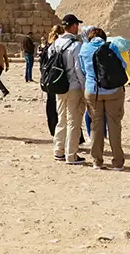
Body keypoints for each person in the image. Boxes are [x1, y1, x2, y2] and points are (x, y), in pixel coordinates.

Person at [78, 27, 126, 170]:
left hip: (93, 91)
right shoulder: (112, 47)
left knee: (96, 126)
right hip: (113, 91)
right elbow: (122, 66)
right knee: (114, 126)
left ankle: (97, 161)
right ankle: (117, 162)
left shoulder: (84, 49)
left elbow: (82, 70)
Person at [48, 14, 87, 165]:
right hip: (73, 87)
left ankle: (59, 151)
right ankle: (72, 155)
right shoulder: (76, 46)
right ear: (73, 26)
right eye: (77, 25)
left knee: (61, 119)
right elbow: (78, 69)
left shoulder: (55, 44)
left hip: (59, 87)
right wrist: (84, 88)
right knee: (74, 121)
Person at [40, 27, 62, 136]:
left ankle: (54, 131)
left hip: (49, 81)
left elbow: (42, 66)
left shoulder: (46, 49)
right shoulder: (62, 47)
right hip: (61, 81)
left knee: (51, 106)